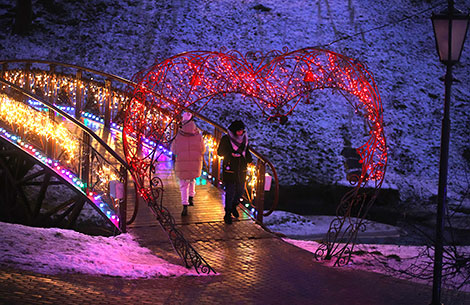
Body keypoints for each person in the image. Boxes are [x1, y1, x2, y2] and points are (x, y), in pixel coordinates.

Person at [217, 120, 253, 224]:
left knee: (240, 191)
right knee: (230, 191)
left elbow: (246, 151)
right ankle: (227, 213)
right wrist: (230, 153)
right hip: (230, 168)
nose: (240, 133)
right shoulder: (226, 139)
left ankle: (233, 206)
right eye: (238, 131)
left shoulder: (245, 140)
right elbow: (220, 152)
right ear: (233, 131)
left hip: (241, 169)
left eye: (242, 131)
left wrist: (249, 159)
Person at [171, 113, 206, 216]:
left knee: (183, 184)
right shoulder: (198, 135)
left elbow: (173, 150)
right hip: (195, 162)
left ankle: (185, 205)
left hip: (182, 163)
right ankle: (191, 196)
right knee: (192, 178)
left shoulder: (178, 136)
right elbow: (203, 149)